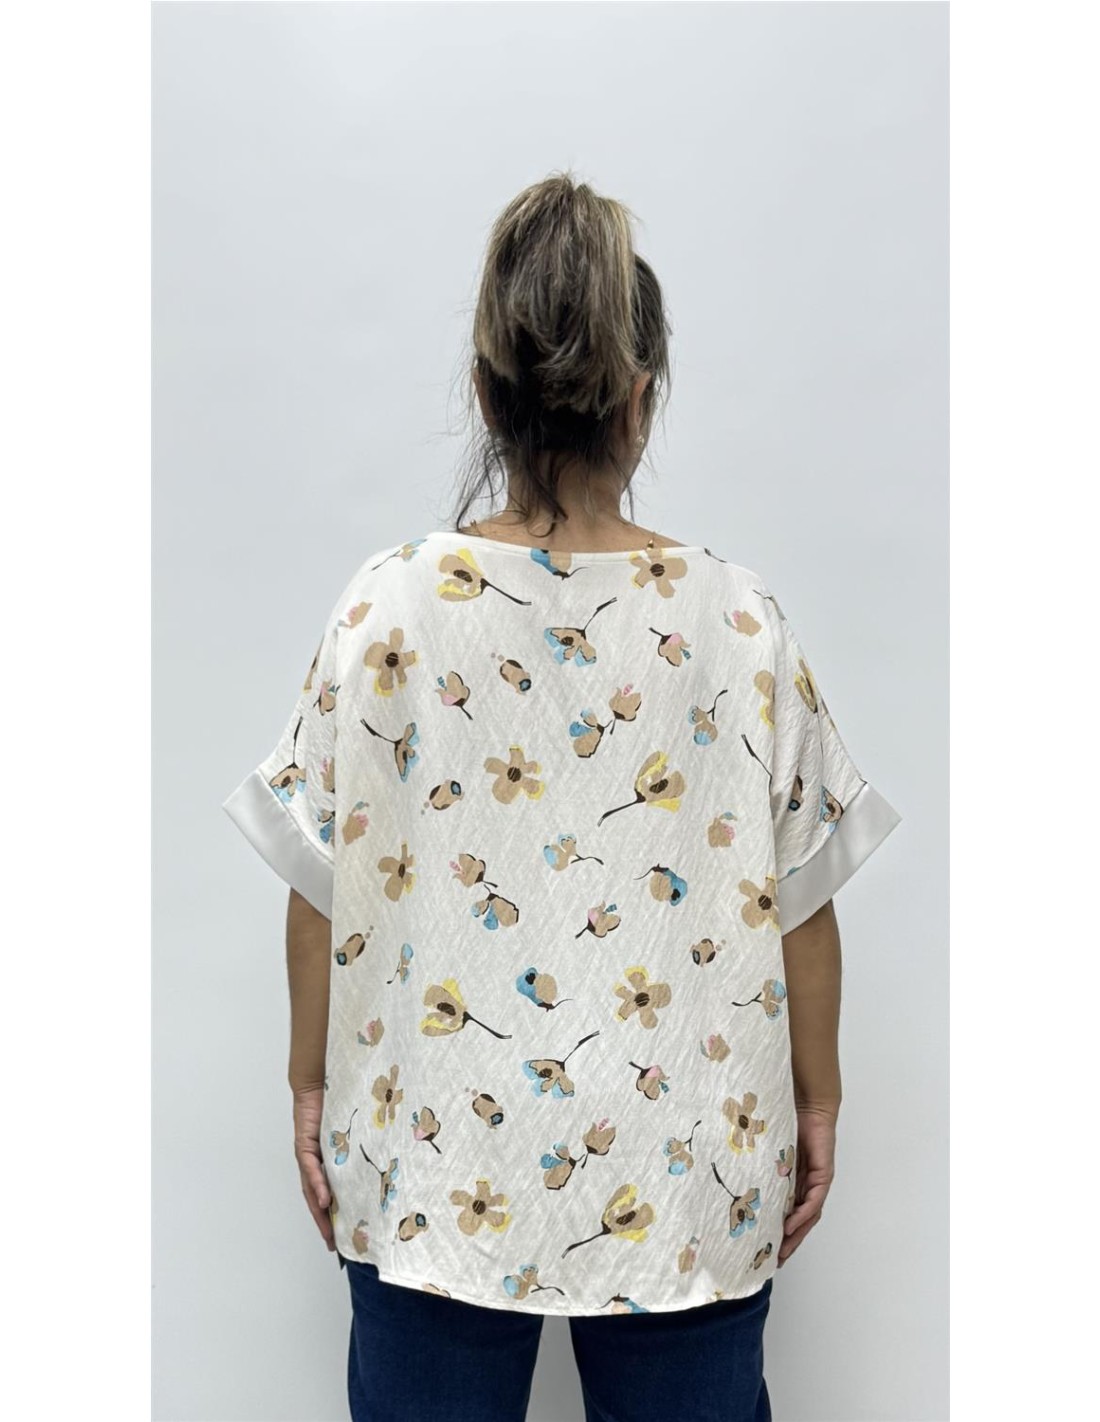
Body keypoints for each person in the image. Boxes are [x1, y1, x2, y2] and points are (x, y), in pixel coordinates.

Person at [222, 172, 902, 1422]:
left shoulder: (386, 605)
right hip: (684, 1159)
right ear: (641, 397)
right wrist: (818, 1100)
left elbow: (322, 883)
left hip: (436, 1154)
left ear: (487, 393)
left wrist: (308, 1086)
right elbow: (802, 902)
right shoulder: (738, 619)